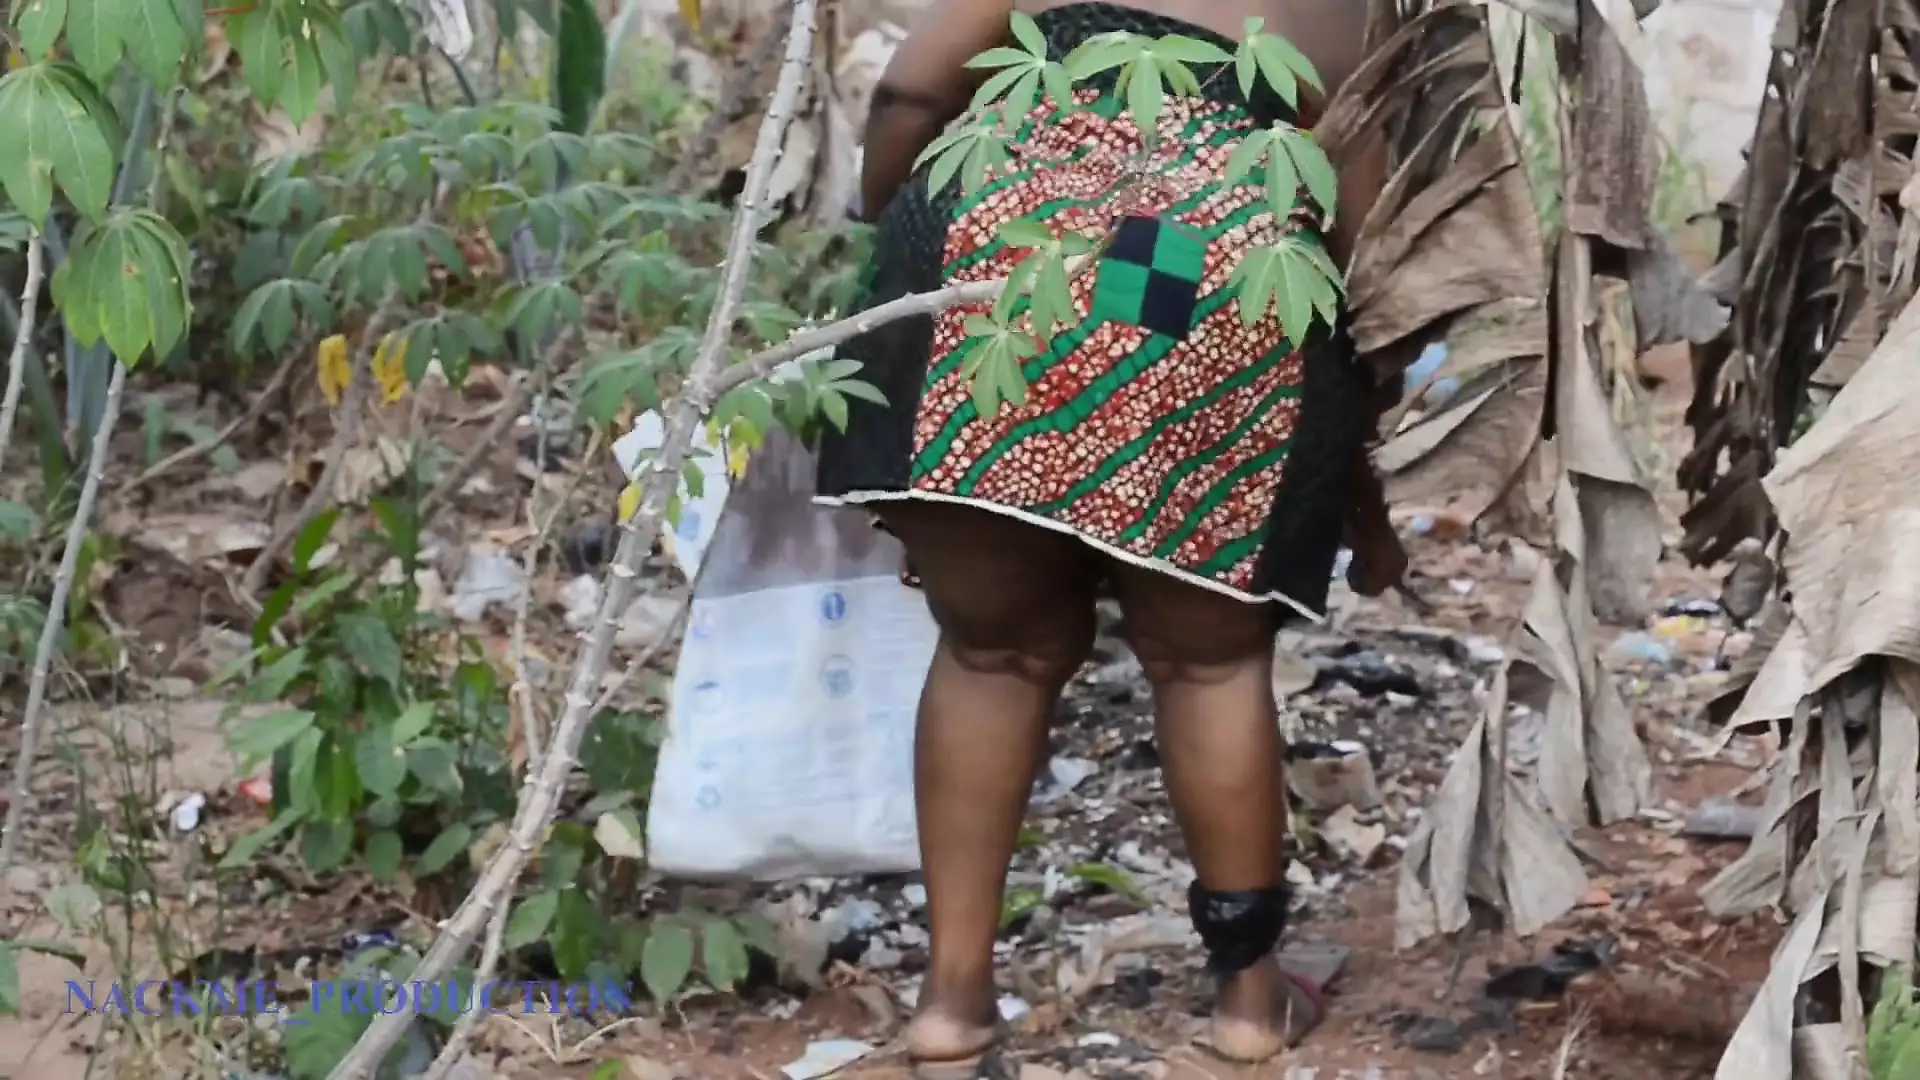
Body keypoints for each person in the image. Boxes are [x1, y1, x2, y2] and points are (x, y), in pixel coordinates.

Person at [811, 0, 1391, 1074]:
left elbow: (911, 92)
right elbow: (1357, 203)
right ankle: (1251, 1004)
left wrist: (889, 226)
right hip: (1220, 282)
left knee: (992, 651)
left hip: (1002, 263)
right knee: (1208, 661)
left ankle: (951, 1001)